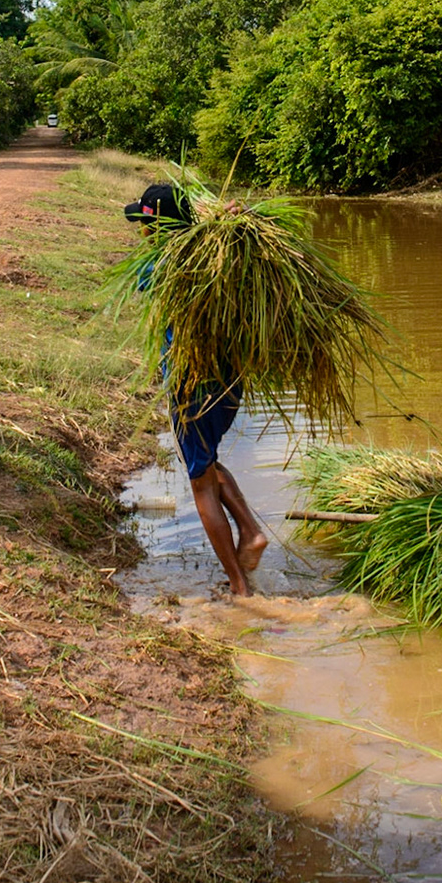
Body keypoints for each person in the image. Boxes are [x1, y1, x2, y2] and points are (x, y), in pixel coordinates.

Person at [126, 183, 268, 596]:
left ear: (157, 227)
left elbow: (145, 279)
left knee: (200, 481)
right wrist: (224, 220)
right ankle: (250, 531)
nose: (141, 233)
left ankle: (240, 587)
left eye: (145, 225)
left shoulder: (158, 266)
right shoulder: (224, 253)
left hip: (191, 383)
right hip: (230, 379)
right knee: (205, 461)